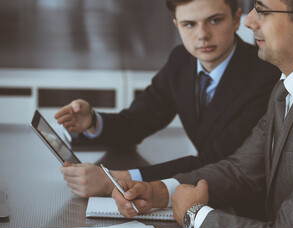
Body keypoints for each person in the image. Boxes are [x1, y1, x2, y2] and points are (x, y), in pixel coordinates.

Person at [112, 0, 293, 228]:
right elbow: (241, 170)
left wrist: (196, 215)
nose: (250, 21)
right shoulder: (288, 84)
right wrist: (160, 191)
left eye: (262, 10)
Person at [54, 0, 280, 199]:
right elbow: (136, 122)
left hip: (244, 203)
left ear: (236, 20)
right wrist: (92, 122)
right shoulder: (181, 61)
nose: (202, 35)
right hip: (200, 194)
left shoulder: (265, 75)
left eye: (214, 20)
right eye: (189, 24)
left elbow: (216, 160)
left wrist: (116, 179)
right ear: (177, 26)